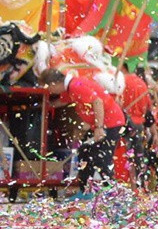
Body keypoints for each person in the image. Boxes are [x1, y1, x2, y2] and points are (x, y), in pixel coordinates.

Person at [39, 68, 126, 196]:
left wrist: (99, 127)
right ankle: (85, 190)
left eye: (49, 87)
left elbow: (97, 102)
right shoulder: (69, 88)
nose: (50, 91)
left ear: (54, 83)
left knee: (101, 158)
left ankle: (112, 192)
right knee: (84, 154)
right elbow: (60, 102)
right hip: (99, 124)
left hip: (110, 123)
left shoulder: (76, 86)